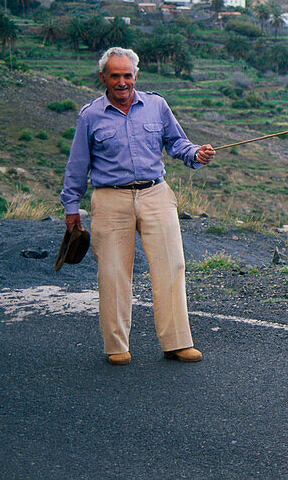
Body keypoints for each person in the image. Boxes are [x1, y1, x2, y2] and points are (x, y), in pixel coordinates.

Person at [61, 46, 216, 365]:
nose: (122, 82)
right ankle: (116, 347)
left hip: (155, 194)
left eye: (127, 75)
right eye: (115, 76)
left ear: (136, 76)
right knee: (114, 273)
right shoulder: (90, 115)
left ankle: (176, 343)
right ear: (103, 77)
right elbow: (77, 165)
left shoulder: (157, 105)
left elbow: (176, 143)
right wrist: (71, 208)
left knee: (172, 267)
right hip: (109, 198)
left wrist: (195, 154)